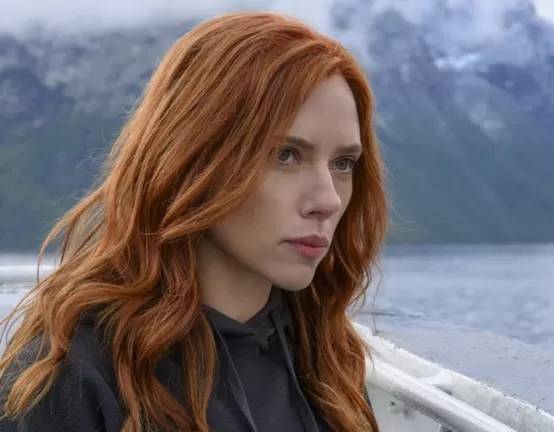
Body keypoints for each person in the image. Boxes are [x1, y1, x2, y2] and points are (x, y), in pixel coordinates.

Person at [0, 10, 387, 432]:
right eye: (286, 155)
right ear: (194, 158)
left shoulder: (326, 357)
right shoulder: (73, 380)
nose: (328, 199)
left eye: (343, 163)